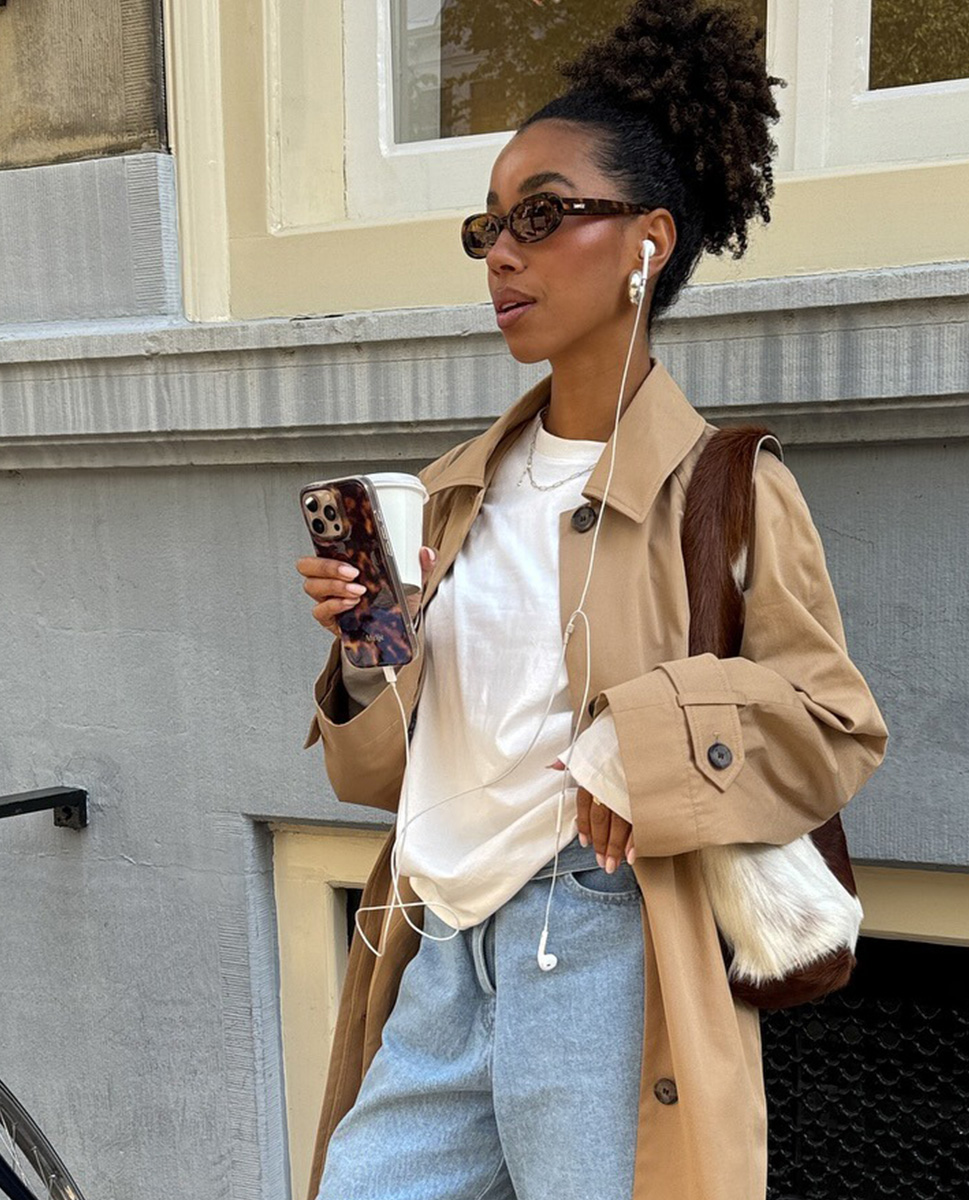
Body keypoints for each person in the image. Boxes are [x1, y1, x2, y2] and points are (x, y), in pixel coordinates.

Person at [294, 1, 889, 1197]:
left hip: (603, 937)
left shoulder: (722, 488)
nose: (502, 253)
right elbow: (379, 777)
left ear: (646, 242)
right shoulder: (455, 492)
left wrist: (646, 734)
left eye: (544, 214)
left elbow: (835, 727)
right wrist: (363, 656)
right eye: (489, 226)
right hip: (435, 937)